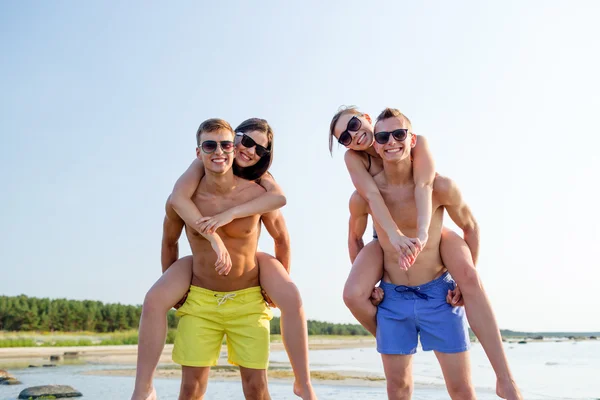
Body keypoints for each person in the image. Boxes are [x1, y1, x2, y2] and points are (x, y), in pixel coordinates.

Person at [331, 107, 521, 399]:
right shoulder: (359, 177)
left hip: (436, 287)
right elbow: (361, 218)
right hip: (392, 288)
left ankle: (505, 379)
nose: (354, 135)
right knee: (397, 385)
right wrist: (374, 280)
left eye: (398, 135)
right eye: (345, 136)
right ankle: (393, 338)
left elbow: (434, 193)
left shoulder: (436, 179)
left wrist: (423, 236)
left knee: (469, 277)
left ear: (411, 139)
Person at [132, 118, 315, 400]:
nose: (222, 151)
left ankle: (304, 383)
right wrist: (179, 293)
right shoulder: (186, 193)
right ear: (199, 151)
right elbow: (170, 241)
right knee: (191, 388)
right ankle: (143, 388)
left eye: (225, 145)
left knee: (256, 388)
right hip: (201, 298)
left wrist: (273, 290)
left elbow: (282, 237)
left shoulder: (259, 191)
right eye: (210, 146)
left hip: (248, 299)